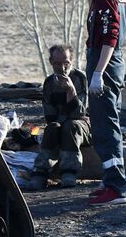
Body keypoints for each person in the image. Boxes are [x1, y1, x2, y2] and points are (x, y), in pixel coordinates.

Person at [84, 0, 126, 206]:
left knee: (105, 124)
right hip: (113, 65)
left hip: (105, 66)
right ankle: (112, 179)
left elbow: (109, 37)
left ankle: (116, 187)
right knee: (107, 123)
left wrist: (98, 73)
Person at [27, 45, 90, 191]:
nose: (62, 67)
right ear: (51, 62)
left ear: (71, 61)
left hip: (83, 127)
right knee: (53, 128)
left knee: (71, 125)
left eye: (66, 63)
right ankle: (41, 172)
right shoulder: (49, 83)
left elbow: (79, 114)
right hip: (62, 124)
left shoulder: (80, 78)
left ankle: (69, 172)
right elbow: (50, 117)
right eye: (57, 63)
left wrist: (71, 91)